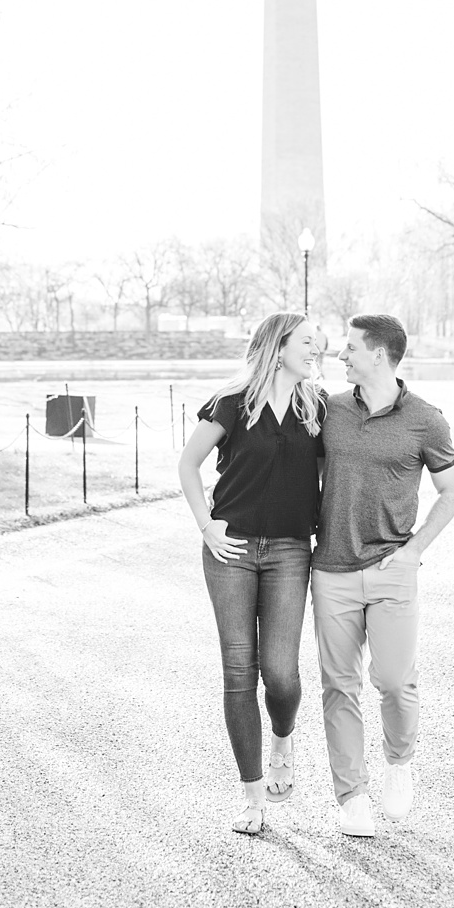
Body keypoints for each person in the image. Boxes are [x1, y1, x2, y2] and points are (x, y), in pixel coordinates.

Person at [177, 311, 326, 836]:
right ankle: (251, 795)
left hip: (290, 551)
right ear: (278, 345)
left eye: (320, 344)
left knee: (280, 675)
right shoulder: (231, 404)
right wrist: (206, 526)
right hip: (230, 550)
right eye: (308, 342)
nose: (318, 351)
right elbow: (188, 464)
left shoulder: (319, 407)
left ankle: (283, 738)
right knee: (239, 670)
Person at [315, 313, 454, 837]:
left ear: (379, 354)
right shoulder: (327, 409)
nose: (341, 356)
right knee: (339, 686)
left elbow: (452, 494)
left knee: (396, 682)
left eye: (350, 348)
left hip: (392, 570)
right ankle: (351, 796)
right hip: (330, 570)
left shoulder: (426, 419)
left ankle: (398, 765)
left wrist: (414, 551)